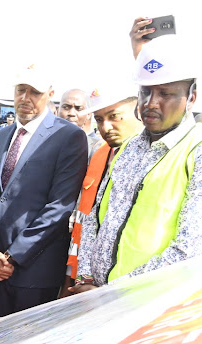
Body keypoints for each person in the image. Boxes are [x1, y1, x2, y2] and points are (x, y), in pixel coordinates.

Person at [71, 37, 202, 294]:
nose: (151, 102)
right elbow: (95, 218)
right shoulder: (129, 148)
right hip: (98, 299)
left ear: (191, 97)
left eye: (165, 93)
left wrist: (109, 293)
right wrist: (86, 278)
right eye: (145, 92)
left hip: (149, 305)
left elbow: (188, 253)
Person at [0, 64, 88, 318]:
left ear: (49, 94)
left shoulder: (68, 137)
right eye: (21, 90)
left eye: (34, 92)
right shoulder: (1, 137)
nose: (25, 98)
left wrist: (13, 255)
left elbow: (59, 206)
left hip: (33, 272)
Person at [63, 86, 143, 290]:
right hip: (85, 272)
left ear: (139, 111)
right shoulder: (100, 154)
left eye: (114, 116)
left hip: (127, 286)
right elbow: (88, 219)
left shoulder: (154, 158)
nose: (105, 127)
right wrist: (82, 276)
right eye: (99, 119)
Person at [57, 88, 102, 156]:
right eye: (66, 107)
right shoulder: (44, 142)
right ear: (57, 111)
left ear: (88, 114)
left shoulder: (98, 148)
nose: (72, 113)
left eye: (79, 108)